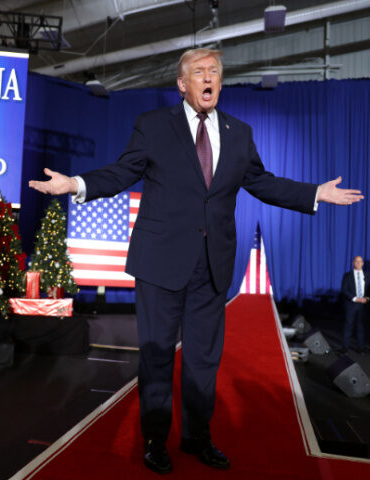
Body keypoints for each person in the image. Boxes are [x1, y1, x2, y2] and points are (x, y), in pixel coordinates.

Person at [29, 48, 363, 475]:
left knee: (204, 358)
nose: (209, 78)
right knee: (158, 357)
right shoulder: (153, 126)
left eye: (215, 73)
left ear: (220, 84)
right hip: (160, 262)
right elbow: (121, 171)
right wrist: (75, 183)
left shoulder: (238, 132)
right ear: (182, 84)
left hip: (212, 265)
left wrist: (315, 193)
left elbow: (262, 182)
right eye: (200, 72)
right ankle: (154, 440)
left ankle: (197, 437)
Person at [340, 255, 369, 354]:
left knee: (361, 327)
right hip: (351, 305)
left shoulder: (367, 275)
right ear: (353, 263)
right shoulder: (347, 275)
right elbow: (344, 289)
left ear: (363, 263)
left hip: (363, 306)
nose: (358, 263)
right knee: (348, 325)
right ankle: (345, 347)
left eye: (360, 261)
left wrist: (367, 299)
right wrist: (356, 299)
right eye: (356, 261)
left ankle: (360, 348)